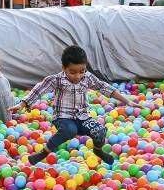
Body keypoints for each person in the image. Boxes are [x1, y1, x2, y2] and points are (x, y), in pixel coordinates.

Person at [11, 45, 143, 166]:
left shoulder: (87, 77)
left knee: (100, 131)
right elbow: (39, 89)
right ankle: (43, 153)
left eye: (82, 71)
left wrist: (126, 100)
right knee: (70, 130)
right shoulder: (57, 80)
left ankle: (98, 150)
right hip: (63, 118)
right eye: (72, 72)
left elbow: (104, 87)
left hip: (82, 118)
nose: (78, 76)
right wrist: (23, 103)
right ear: (64, 68)